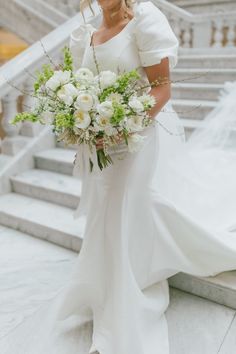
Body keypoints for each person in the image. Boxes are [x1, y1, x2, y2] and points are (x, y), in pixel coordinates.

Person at [1, 1, 236, 353]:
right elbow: (82, 86)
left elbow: (161, 89)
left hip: (138, 139)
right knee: (105, 213)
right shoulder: (86, 30)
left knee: (123, 207)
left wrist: (122, 126)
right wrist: (83, 121)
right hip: (99, 142)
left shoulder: (146, 19)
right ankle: (102, 283)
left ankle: (125, 301)